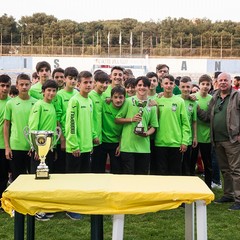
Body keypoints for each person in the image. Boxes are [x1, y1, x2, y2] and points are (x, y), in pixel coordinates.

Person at [198, 72, 240, 210]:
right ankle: (229, 194)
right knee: (225, 170)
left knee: (236, 170)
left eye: (225, 80)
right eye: (220, 80)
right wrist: (195, 106)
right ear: (217, 82)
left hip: (232, 139)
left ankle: (239, 199)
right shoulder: (215, 97)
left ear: (230, 82)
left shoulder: (237, 96)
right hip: (218, 140)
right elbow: (207, 117)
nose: (222, 82)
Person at [65, 70, 94, 220]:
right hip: (75, 148)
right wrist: (73, 144)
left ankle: (80, 205)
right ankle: (71, 208)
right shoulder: (74, 101)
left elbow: (91, 121)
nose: (88, 85)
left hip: (87, 147)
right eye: (85, 82)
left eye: (90, 82)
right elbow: (70, 124)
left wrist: (94, 136)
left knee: (83, 179)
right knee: (73, 180)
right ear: (78, 84)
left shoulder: (89, 101)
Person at [115, 76, 158, 174]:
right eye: (139, 85)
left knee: (141, 178)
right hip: (127, 147)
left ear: (148, 87)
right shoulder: (128, 101)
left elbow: (154, 126)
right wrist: (131, 119)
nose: (142, 87)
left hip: (144, 148)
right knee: (128, 177)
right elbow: (117, 119)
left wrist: (146, 133)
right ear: (135, 87)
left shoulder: (151, 104)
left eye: (145, 85)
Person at [28, 80, 58, 221]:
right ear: (43, 91)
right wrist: (34, 147)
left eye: (54, 90)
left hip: (49, 148)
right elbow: (33, 127)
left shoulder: (51, 105)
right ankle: (37, 209)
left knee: (46, 177)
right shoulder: (39, 105)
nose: (51, 93)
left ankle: (44, 207)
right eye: (49, 90)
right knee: (38, 178)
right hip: (39, 149)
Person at [154, 74, 190, 176]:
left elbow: (185, 123)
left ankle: (175, 192)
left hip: (176, 143)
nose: (168, 85)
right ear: (161, 85)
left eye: (171, 83)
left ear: (174, 85)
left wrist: (184, 141)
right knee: (161, 172)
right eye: (166, 83)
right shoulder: (157, 100)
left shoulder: (179, 101)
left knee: (175, 173)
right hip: (160, 143)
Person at [4, 73, 37, 181]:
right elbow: (6, 126)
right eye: (21, 84)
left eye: (26, 84)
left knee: (33, 179)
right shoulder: (10, 104)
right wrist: (7, 147)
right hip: (16, 147)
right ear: (17, 85)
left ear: (30, 85)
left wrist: (35, 146)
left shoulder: (36, 103)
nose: (24, 87)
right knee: (17, 179)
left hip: (31, 148)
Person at [54, 67, 79, 173]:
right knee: (61, 168)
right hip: (63, 138)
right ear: (64, 79)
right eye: (70, 78)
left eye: (75, 78)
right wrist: (62, 139)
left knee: (73, 170)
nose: (73, 81)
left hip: (74, 139)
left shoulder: (78, 94)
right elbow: (57, 118)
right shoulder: (59, 95)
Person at [191, 74, 212, 188]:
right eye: (203, 84)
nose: (205, 86)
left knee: (207, 164)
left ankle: (208, 187)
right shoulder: (192, 97)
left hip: (206, 137)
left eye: (207, 84)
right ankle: (190, 187)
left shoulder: (212, 99)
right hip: (193, 137)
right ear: (199, 85)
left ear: (210, 86)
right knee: (191, 163)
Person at [101, 86, 126, 173]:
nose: (118, 100)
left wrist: (120, 144)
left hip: (116, 144)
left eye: (121, 97)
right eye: (115, 97)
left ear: (125, 98)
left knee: (117, 170)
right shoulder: (104, 104)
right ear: (111, 98)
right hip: (102, 142)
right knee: (98, 170)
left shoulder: (126, 108)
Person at [89, 71, 110, 173]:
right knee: (94, 168)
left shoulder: (105, 96)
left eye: (106, 82)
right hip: (94, 139)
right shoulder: (90, 96)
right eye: (101, 82)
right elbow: (89, 118)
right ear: (95, 82)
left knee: (100, 168)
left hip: (103, 139)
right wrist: (94, 135)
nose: (104, 85)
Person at [179, 76, 198, 175]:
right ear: (179, 87)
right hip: (177, 138)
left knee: (187, 164)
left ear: (191, 87)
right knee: (177, 164)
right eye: (183, 87)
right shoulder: (176, 100)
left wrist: (195, 136)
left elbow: (194, 121)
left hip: (188, 138)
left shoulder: (194, 102)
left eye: (187, 87)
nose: (185, 89)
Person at [0, 74, 11, 209]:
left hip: (6, 145)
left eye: (7, 86)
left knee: (4, 176)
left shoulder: (11, 102)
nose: (5, 89)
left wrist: (8, 145)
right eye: (2, 86)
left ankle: (4, 202)